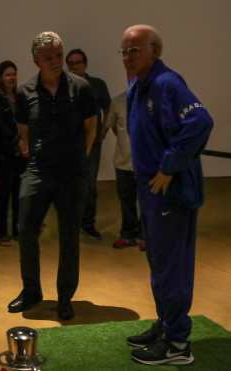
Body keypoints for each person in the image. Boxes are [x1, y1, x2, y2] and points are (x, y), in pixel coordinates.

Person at [121, 24, 213, 365]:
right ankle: (165, 324)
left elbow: (200, 122)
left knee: (172, 268)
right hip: (150, 192)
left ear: (155, 51)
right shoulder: (138, 86)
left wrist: (169, 167)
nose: (128, 57)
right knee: (159, 265)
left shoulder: (167, 83)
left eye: (136, 50)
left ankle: (177, 346)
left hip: (170, 192)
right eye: (125, 51)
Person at [8, 32, 97, 320]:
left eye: (59, 55)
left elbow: (90, 128)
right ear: (36, 60)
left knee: (69, 236)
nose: (56, 61)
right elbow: (23, 130)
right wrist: (29, 150)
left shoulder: (81, 87)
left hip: (71, 172)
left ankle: (64, 297)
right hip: (38, 170)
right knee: (25, 229)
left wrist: (78, 160)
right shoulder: (25, 91)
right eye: (48, 57)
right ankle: (31, 290)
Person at [66, 48, 111, 240]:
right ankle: (71, 224)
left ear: (85, 64)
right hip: (69, 144)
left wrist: (103, 132)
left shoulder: (97, 84)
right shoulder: (64, 84)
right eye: (71, 64)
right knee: (70, 184)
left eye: (78, 62)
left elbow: (109, 108)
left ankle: (88, 223)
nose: (75, 67)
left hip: (92, 144)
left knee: (89, 184)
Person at [103, 73, 142, 249]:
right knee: (127, 202)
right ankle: (127, 234)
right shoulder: (118, 101)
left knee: (147, 202)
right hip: (123, 163)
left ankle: (144, 236)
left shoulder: (154, 100)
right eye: (131, 77)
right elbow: (110, 126)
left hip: (147, 164)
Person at [0, 60, 25, 244]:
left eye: (14, 74)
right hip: (3, 152)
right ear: (0, 77)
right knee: (4, 191)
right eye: (8, 74)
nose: (12, 78)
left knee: (19, 191)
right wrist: (16, 141)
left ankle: (18, 231)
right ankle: (1, 232)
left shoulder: (20, 96)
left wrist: (24, 143)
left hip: (21, 152)